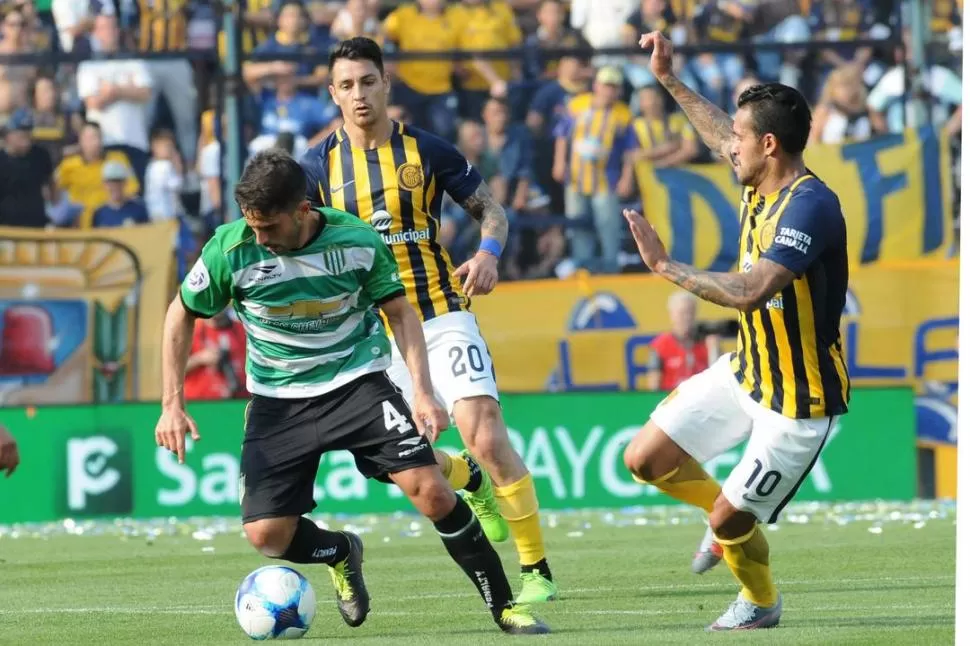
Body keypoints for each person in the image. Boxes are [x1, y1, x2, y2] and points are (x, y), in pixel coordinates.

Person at [154, 150, 549, 636]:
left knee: (430, 491)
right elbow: (181, 313)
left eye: (269, 228)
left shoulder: (356, 241)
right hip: (278, 401)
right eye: (251, 226)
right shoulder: (230, 250)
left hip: (356, 384)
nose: (259, 238)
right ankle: (341, 551)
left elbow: (401, 313)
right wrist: (172, 404)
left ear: (301, 210)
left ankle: (506, 607)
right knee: (268, 537)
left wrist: (422, 392)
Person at [300, 37, 558, 604]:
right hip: (371, 336)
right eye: (346, 85)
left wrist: (489, 252)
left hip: (441, 313)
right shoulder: (316, 167)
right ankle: (467, 482)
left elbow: (492, 209)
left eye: (368, 81)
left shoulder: (429, 151)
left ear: (385, 82)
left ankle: (536, 571)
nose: (359, 94)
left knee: (485, 433)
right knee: (391, 463)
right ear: (333, 94)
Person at [622, 31, 850, 631]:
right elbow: (720, 131)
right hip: (747, 372)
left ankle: (760, 601)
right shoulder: (760, 179)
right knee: (644, 459)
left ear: (768, 146)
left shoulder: (810, 207)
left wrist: (666, 268)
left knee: (730, 520)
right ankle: (725, 512)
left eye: (741, 141)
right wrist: (668, 79)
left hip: (801, 400)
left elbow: (752, 291)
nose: (729, 149)